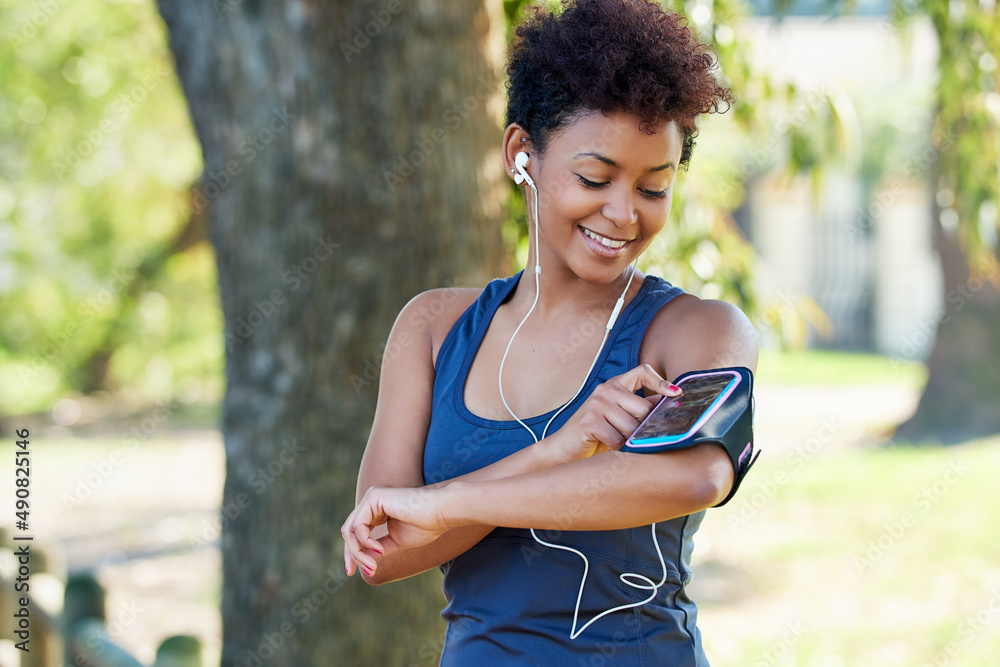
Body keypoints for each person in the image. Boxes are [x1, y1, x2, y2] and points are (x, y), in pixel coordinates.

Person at [341, 0, 758, 663]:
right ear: (521, 155)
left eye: (654, 188)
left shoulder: (694, 330)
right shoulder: (431, 329)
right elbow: (382, 549)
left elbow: (695, 476)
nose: (623, 213)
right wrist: (557, 448)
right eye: (594, 177)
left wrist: (442, 502)